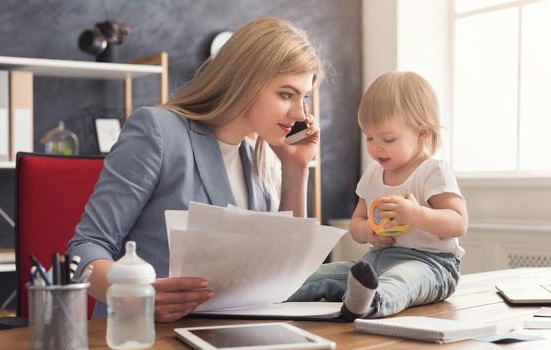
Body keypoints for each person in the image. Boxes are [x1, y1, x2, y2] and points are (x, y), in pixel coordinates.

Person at [68, 16, 323, 322]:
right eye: (286, 94)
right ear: (244, 81)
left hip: (232, 331)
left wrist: (296, 169)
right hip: (145, 330)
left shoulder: (261, 156)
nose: (299, 113)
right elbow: (85, 248)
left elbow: (285, 269)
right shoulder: (159, 131)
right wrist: (134, 292)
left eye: (304, 97)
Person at [288, 71, 468, 320]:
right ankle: (271, 293)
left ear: (422, 133)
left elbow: (458, 223)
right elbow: (357, 223)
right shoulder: (374, 173)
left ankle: (371, 302)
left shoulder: (432, 171)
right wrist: (367, 232)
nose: (375, 147)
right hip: (376, 261)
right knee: (321, 275)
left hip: (432, 265)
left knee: (403, 280)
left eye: (388, 139)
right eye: (369, 137)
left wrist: (416, 214)